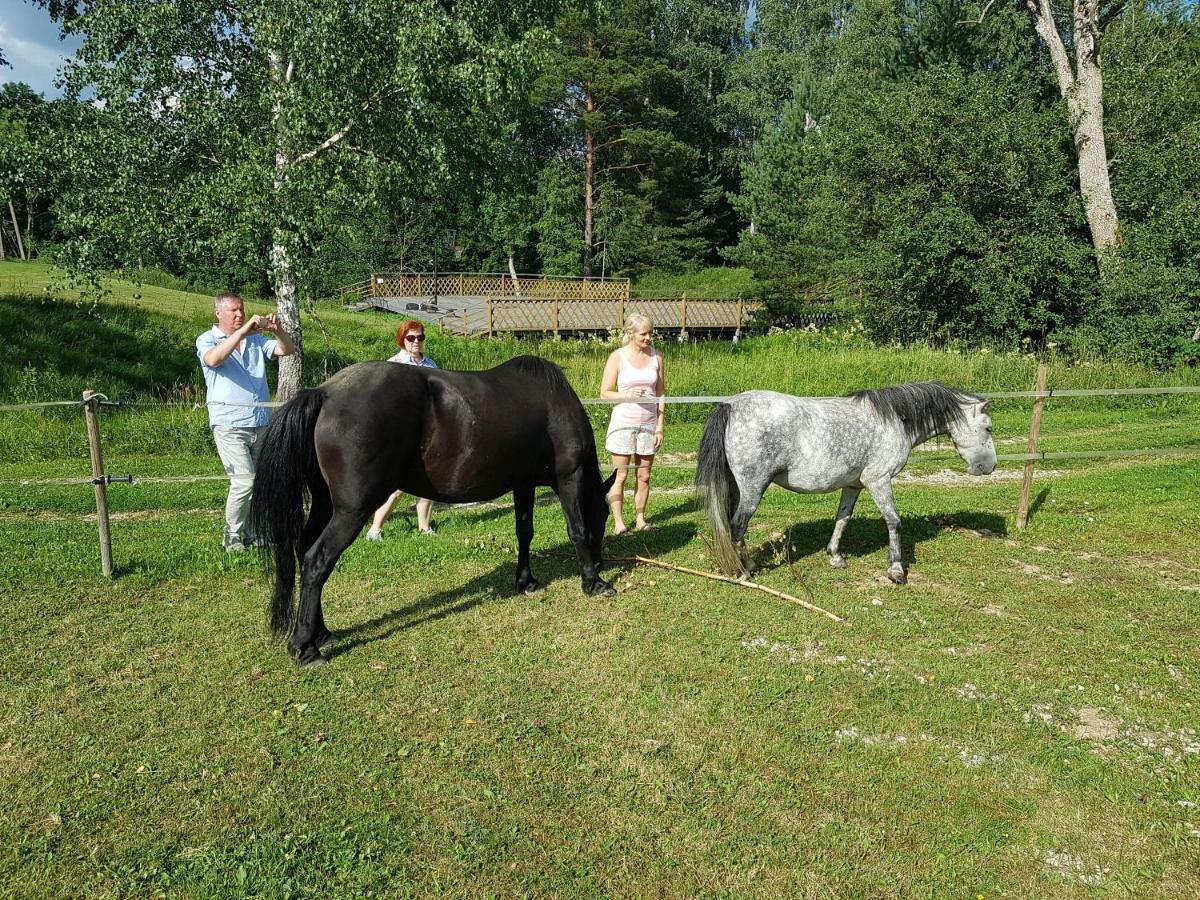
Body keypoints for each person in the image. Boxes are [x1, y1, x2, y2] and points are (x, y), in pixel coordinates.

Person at [196, 292, 294, 552]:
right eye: (234, 311)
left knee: (259, 482)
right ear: (219, 313)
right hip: (229, 424)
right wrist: (242, 333)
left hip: (260, 421)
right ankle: (232, 536)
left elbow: (287, 350)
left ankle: (254, 533)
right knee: (244, 481)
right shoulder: (207, 339)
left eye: (242, 310)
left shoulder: (256, 341)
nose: (240, 315)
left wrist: (278, 331)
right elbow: (214, 360)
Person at [366, 320, 438, 540]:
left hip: (428, 430)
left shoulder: (431, 365)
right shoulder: (393, 364)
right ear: (402, 339)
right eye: (411, 338)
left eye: (420, 337)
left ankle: (424, 527)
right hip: (401, 432)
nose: (416, 342)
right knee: (398, 486)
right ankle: (375, 528)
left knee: (428, 482)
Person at [600, 313, 665, 534]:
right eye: (643, 333)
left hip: (648, 424)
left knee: (644, 474)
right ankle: (619, 524)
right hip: (623, 425)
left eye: (650, 333)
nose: (648, 338)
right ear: (630, 334)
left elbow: (661, 393)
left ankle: (640, 519)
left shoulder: (657, 357)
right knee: (621, 475)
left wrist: (659, 425)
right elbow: (604, 393)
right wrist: (626, 394)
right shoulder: (617, 357)